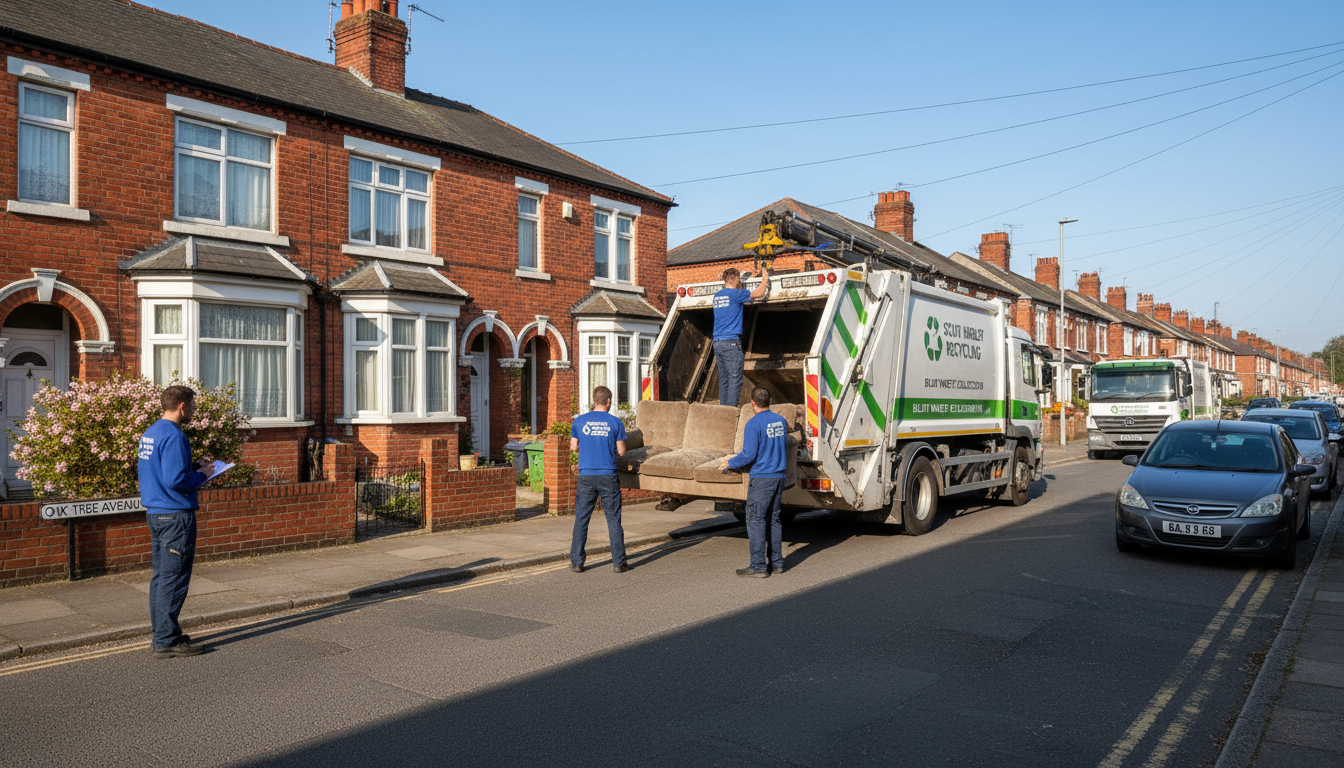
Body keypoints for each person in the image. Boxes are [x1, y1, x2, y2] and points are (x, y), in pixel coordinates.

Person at [138, 385, 210, 657]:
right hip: (175, 516)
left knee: (161, 578)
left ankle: (164, 633)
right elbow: (175, 480)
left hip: (156, 514)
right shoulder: (175, 435)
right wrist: (204, 475)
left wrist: (194, 467)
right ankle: (166, 641)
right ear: (182, 405)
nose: (192, 410)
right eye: (191, 405)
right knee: (174, 579)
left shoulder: (151, 432)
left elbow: (161, 470)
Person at [720, 386, 789, 577]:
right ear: (769, 401)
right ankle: (777, 563)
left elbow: (748, 455)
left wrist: (729, 462)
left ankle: (758, 565)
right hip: (779, 476)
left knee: (756, 520)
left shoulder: (752, 424)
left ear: (752, 403)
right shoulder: (781, 421)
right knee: (774, 519)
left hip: (762, 479)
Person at [570, 386, 629, 573]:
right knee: (613, 520)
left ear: (594, 400)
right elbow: (621, 451)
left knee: (581, 519)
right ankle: (619, 563)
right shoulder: (615, 422)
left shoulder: (579, 421)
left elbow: (573, 447)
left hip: (586, 475)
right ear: (608, 401)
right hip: (607, 475)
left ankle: (577, 562)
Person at [712, 266, 769, 406]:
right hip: (731, 342)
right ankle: (731, 412)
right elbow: (760, 293)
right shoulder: (736, 294)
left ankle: (723, 411)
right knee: (735, 380)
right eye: (739, 280)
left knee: (724, 379)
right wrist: (765, 276)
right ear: (735, 279)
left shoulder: (717, 296)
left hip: (718, 342)